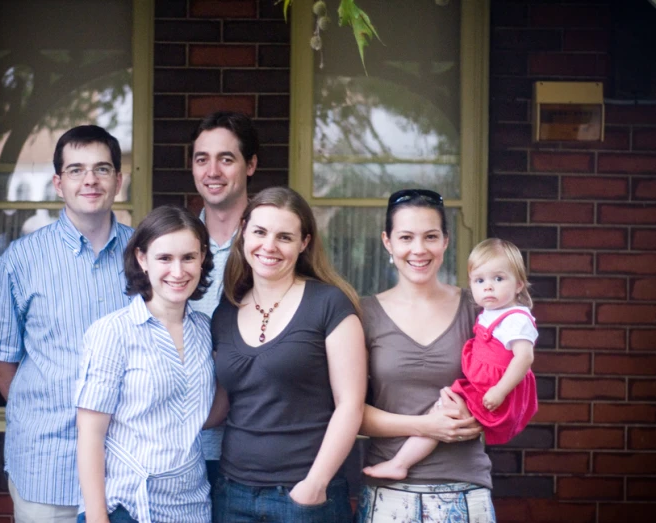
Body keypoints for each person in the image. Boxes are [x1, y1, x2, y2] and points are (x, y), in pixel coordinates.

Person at [0, 125, 133, 523]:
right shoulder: (21, 260)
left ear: (119, 179)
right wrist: (43, 409)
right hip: (49, 464)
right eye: (76, 170)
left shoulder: (147, 255)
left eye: (102, 169)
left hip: (129, 465)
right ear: (57, 183)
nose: (90, 180)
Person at [211, 186, 367, 523]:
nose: (269, 246)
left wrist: (315, 484)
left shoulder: (329, 304)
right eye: (260, 232)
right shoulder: (226, 311)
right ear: (243, 233)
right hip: (232, 492)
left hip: (305, 497)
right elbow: (220, 406)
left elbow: (350, 405)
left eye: (284, 237)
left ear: (304, 243)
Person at [355, 189, 495, 523]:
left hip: (466, 488)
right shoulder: (364, 314)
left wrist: (482, 414)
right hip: (388, 495)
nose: (419, 250)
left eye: (430, 236)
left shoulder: (477, 310)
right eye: (406, 237)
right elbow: (350, 412)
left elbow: (506, 393)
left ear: (446, 241)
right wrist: (429, 426)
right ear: (387, 242)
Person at [75, 205, 217, 523]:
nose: (178, 272)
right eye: (165, 258)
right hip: (126, 508)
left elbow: (204, 415)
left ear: (203, 257)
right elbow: (90, 435)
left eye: (188, 257)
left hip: (192, 507)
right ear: (142, 259)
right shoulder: (113, 332)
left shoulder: (206, 330)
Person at [362, 237, 538, 480]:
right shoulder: (489, 312)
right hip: (484, 384)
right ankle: (400, 462)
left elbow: (524, 359)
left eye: (499, 279)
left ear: (519, 284)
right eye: (480, 280)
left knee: (443, 411)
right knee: (441, 413)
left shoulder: (515, 317)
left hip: (494, 388)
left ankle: (400, 463)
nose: (488, 287)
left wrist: (499, 391)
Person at [189, 111, 259, 487]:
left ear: (250, 165)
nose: (212, 171)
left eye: (226, 159)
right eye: (202, 159)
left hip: (253, 453)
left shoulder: (271, 248)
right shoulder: (175, 251)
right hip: (182, 454)